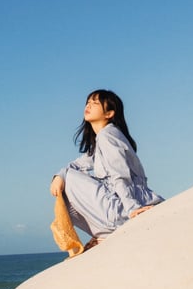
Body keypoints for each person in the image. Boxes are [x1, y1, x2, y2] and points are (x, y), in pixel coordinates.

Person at [50, 89, 164, 250]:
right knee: (64, 185)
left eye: (95, 103)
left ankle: (106, 233)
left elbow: (120, 175)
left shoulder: (108, 136)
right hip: (121, 206)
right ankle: (103, 233)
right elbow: (76, 164)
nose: (88, 106)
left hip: (125, 207)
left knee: (70, 179)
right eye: (87, 102)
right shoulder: (103, 140)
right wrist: (59, 176)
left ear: (109, 113)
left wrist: (132, 209)